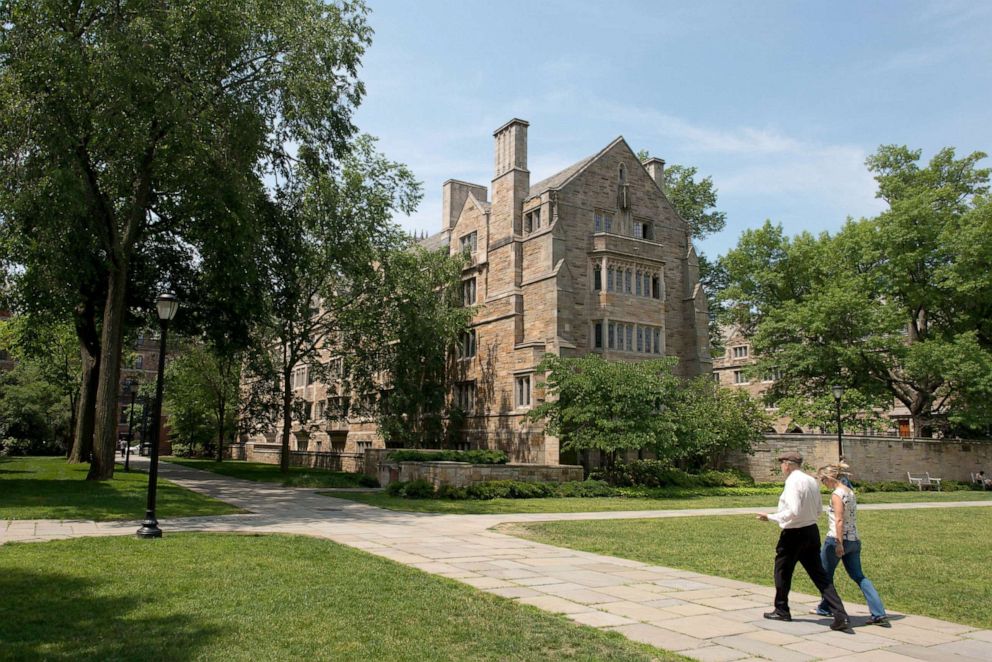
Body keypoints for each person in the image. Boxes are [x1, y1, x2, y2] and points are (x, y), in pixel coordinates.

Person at [757, 451, 850, 631]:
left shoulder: (792, 481)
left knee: (783, 571)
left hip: (793, 534)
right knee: (819, 575)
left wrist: (770, 517)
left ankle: (781, 609)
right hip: (811, 531)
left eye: (782, 463)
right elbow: (817, 510)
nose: (782, 467)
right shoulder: (810, 481)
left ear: (788, 464)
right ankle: (841, 614)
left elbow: (793, 511)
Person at [812, 464, 889, 626]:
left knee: (824, 576)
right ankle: (878, 613)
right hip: (854, 540)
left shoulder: (837, 494)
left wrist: (839, 543)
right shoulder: (850, 492)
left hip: (836, 540)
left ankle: (828, 608)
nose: (822, 483)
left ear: (829, 478)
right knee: (859, 576)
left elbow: (839, 520)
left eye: (823, 479)